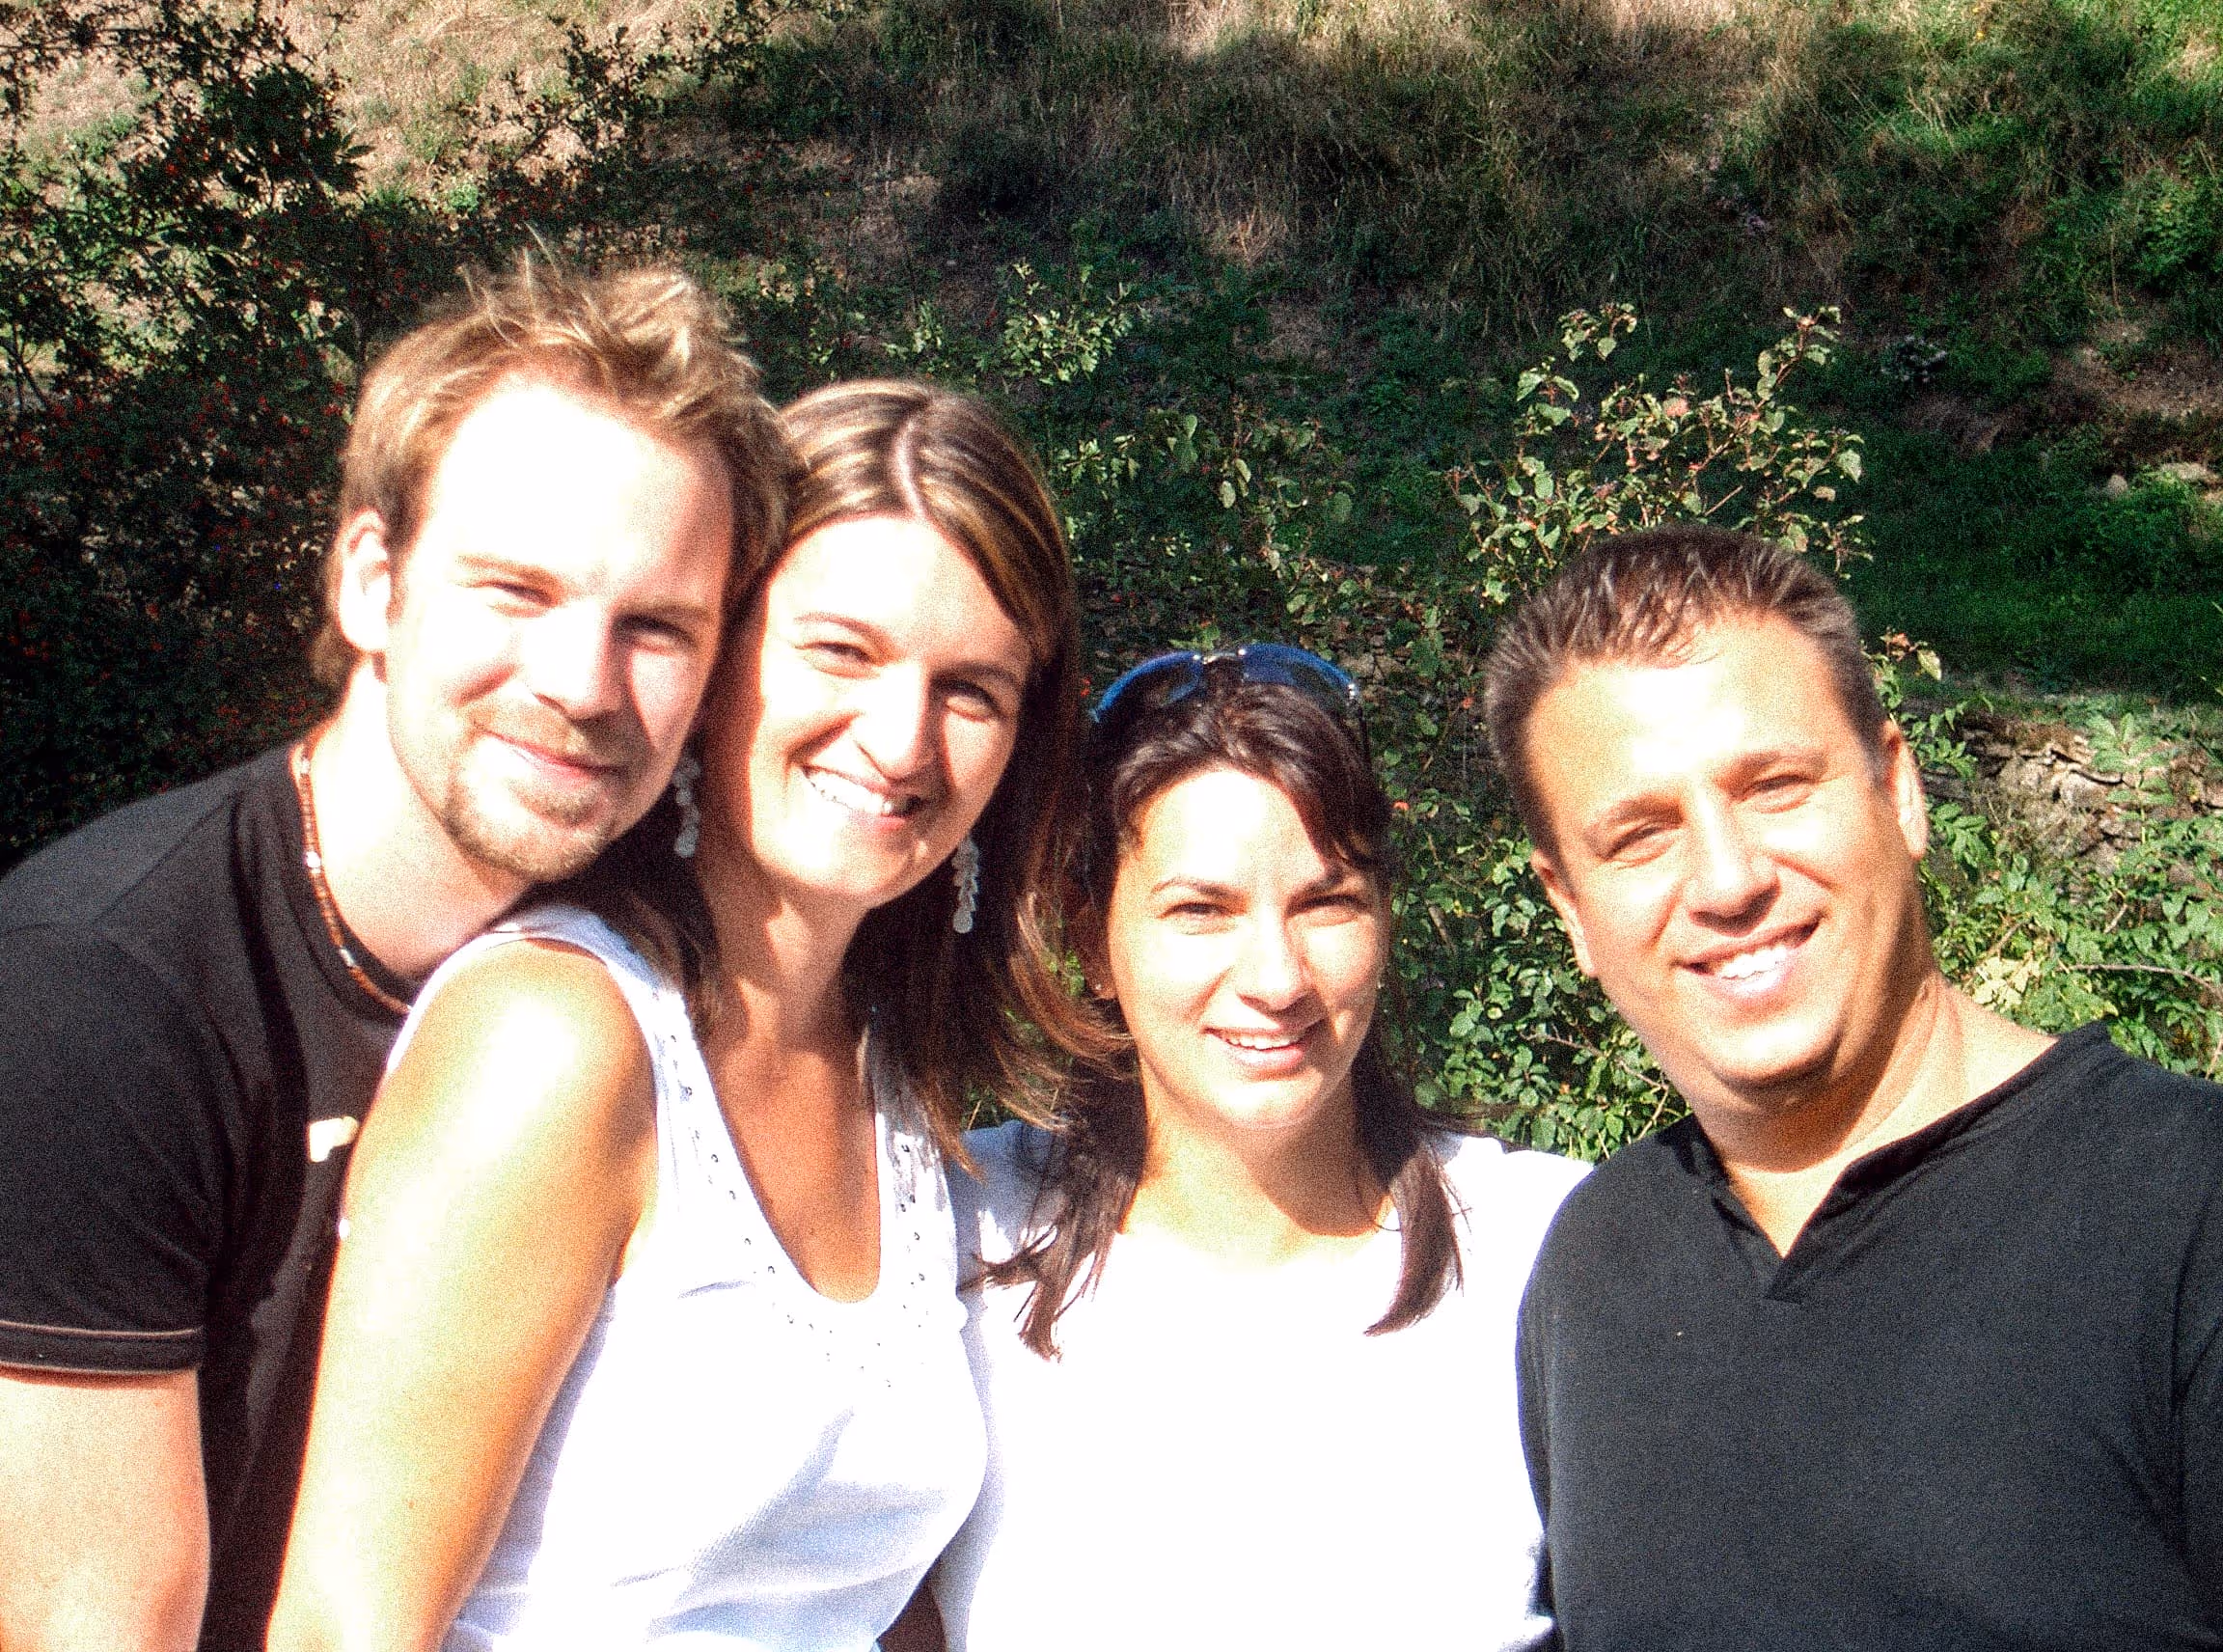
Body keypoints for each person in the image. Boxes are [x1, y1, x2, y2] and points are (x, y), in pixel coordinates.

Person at [0, 259, 786, 1652]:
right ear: (373, 582)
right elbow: (97, 1626)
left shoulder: (654, 978)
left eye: (657, 627)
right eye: (515, 591)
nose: (581, 683)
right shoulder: (104, 998)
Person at [267, 380, 1087, 1652]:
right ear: (715, 664)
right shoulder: (557, 1039)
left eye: (971, 690)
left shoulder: (893, 1076)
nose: (901, 739)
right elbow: (347, 1624)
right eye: (841, 651)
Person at [1484, 523, 2223, 1650]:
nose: (1728, 879)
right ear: (1570, 908)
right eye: (1639, 835)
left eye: (1776, 786)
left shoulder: (2184, 1214)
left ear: (1901, 789)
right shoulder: (1597, 1267)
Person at [930, 645, 1588, 1652]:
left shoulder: (1547, 1251)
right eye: (1201, 911)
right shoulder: (945, 1234)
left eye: (1327, 903)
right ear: (1092, 938)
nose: (1277, 978)